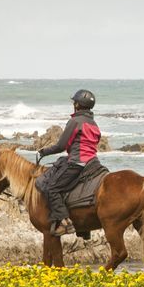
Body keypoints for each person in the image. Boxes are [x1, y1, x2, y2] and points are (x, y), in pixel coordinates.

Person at [37, 90, 101, 236]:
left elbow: (61, 146)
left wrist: (44, 152)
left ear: (78, 105)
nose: (73, 105)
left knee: (51, 188)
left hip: (77, 163)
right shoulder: (94, 123)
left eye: (74, 102)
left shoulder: (75, 122)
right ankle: (85, 229)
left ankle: (65, 223)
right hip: (93, 163)